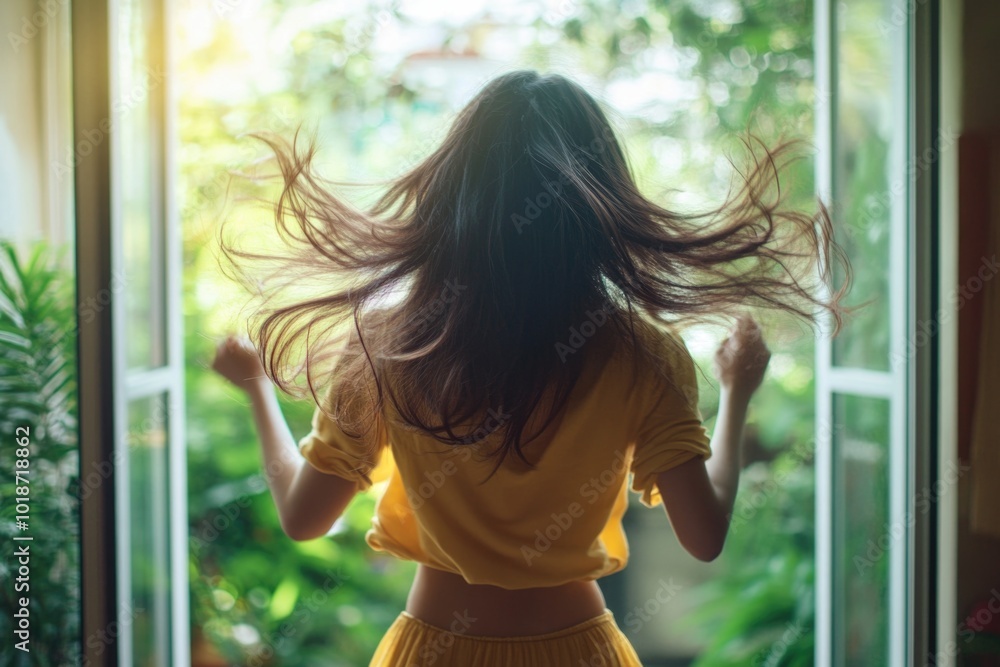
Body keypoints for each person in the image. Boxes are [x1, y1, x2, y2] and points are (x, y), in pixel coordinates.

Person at [211, 70, 848, 666]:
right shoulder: (640, 353)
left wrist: (255, 391)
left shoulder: (389, 345)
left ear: (452, 192)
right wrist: (737, 394)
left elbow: (303, 518)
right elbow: (704, 535)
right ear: (601, 202)